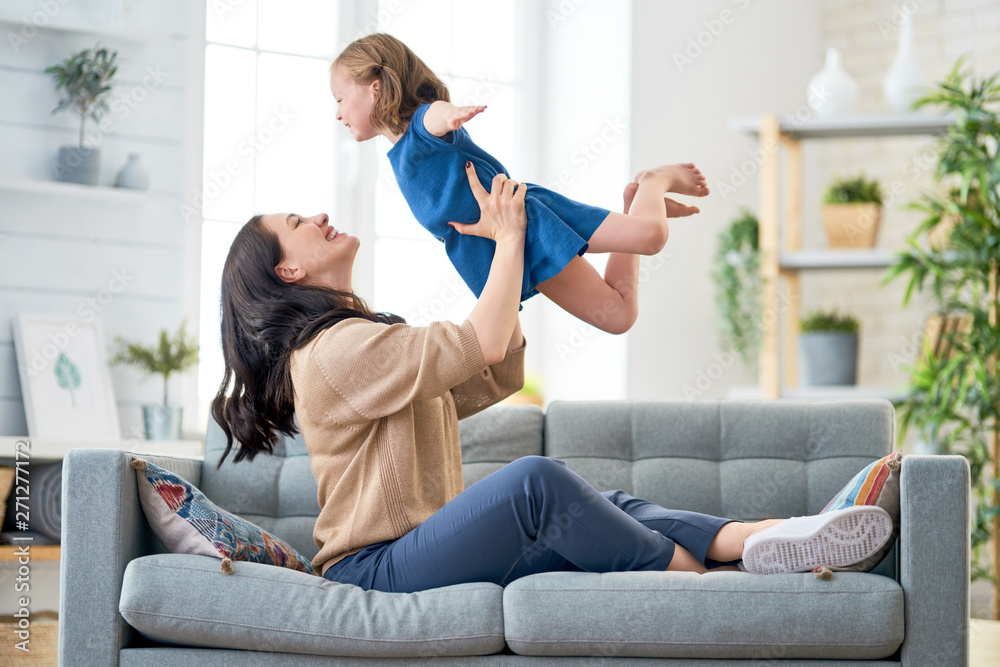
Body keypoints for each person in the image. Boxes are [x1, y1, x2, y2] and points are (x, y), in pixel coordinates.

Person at [210, 163, 894, 594]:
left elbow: (486, 362)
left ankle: (765, 538)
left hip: (422, 552)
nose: (320, 217)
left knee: (607, 505)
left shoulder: (363, 340)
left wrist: (497, 244)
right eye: (299, 223)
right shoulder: (332, 350)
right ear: (288, 273)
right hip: (380, 569)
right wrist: (509, 241)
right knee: (536, 483)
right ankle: (708, 583)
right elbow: (479, 338)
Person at [329, 32, 709, 335]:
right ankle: (636, 197)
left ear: (374, 87)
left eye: (341, 98)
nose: (338, 113)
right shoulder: (398, 154)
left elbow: (436, 116)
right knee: (619, 316)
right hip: (504, 246)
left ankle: (656, 180)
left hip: (527, 218)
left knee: (651, 238)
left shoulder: (421, 129)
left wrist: (455, 114)